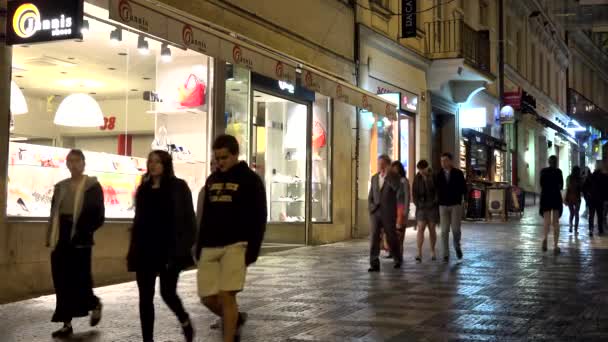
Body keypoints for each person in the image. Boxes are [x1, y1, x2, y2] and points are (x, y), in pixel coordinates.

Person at [195, 135, 267, 342]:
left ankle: (228, 336)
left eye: (224, 157)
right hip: (210, 244)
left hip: (237, 244)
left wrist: (253, 248)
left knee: (227, 295)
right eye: (217, 158)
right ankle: (234, 319)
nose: (219, 162)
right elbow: (205, 216)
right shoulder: (212, 180)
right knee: (207, 296)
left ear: (235, 155)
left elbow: (259, 216)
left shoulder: (250, 179)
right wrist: (199, 245)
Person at [127, 150, 197, 342]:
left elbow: (189, 221)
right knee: (145, 298)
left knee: (167, 293)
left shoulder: (178, 187)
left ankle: (184, 319)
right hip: (145, 249)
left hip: (169, 249)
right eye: (150, 161)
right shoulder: (144, 188)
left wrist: (184, 246)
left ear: (165, 164)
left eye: (157, 162)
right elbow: (139, 219)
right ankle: (147, 340)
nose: (153, 165)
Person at [46, 149, 105, 338]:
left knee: (81, 280)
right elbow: (54, 213)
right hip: (61, 236)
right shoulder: (61, 186)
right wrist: (52, 235)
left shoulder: (92, 186)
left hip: (80, 238)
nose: (73, 164)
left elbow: (98, 215)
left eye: (77, 160)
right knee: (61, 280)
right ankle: (66, 323)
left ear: (83, 163)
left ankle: (94, 303)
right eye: (70, 161)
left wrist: (84, 230)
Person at [368, 154, 403, 272]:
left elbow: (397, 188)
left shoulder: (394, 177)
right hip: (375, 213)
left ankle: (398, 259)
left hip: (388, 212)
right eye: (379, 164)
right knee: (374, 237)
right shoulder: (374, 178)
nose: (380, 166)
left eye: (382, 164)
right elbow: (371, 196)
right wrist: (371, 207)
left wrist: (389, 176)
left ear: (387, 165)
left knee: (391, 237)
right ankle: (374, 263)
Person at [435, 152, 467, 262]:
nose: (443, 163)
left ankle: (457, 245)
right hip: (443, 205)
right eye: (441, 161)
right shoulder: (438, 174)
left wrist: (463, 200)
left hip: (455, 205)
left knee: (456, 229)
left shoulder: (458, 173)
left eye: (445, 160)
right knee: (444, 231)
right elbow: (436, 189)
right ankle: (445, 254)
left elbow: (464, 188)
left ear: (450, 161)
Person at [412, 160, 439, 262]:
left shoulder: (434, 176)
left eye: (423, 169)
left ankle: (432, 251)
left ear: (427, 167)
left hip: (432, 206)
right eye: (419, 170)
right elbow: (414, 192)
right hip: (421, 207)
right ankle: (419, 253)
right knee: (420, 228)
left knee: (432, 228)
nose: (421, 172)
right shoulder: (417, 177)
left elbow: (437, 190)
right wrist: (417, 204)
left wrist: (435, 202)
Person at [382, 161, 410, 258]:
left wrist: (406, 209)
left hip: (401, 208)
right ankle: (391, 252)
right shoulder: (390, 180)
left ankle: (399, 253)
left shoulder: (404, 181)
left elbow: (407, 196)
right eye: (393, 168)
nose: (394, 170)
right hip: (391, 208)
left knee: (400, 233)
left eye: (396, 168)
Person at [539, 155, 564, 254]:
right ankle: (555, 245)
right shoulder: (558, 172)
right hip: (555, 197)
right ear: (556, 162)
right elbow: (561, 185)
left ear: (548, 162)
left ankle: (545, 238)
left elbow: (541, 184)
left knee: (546, 220)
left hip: (545, 197)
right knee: (555, 222)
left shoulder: (543, 171)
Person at [586, 160, 608, 237]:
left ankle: (591, 229)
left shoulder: (591, 176)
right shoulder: (604, 177)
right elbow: (606, 189)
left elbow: (585, 188)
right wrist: (605, 199)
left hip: (592, 199)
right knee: (600, 216)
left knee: (591, 215)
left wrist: (587, 196)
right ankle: (600, 230)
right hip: (600, 200)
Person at [564, 166, 583, 233]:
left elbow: (567, 188)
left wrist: (566, 198)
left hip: (570, 197)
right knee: (576, 213)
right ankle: (576, 229)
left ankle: (571, 226)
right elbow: (581, 189)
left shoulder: (569, 178)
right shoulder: (580, 179)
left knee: (571, 213)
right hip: (577, 198)